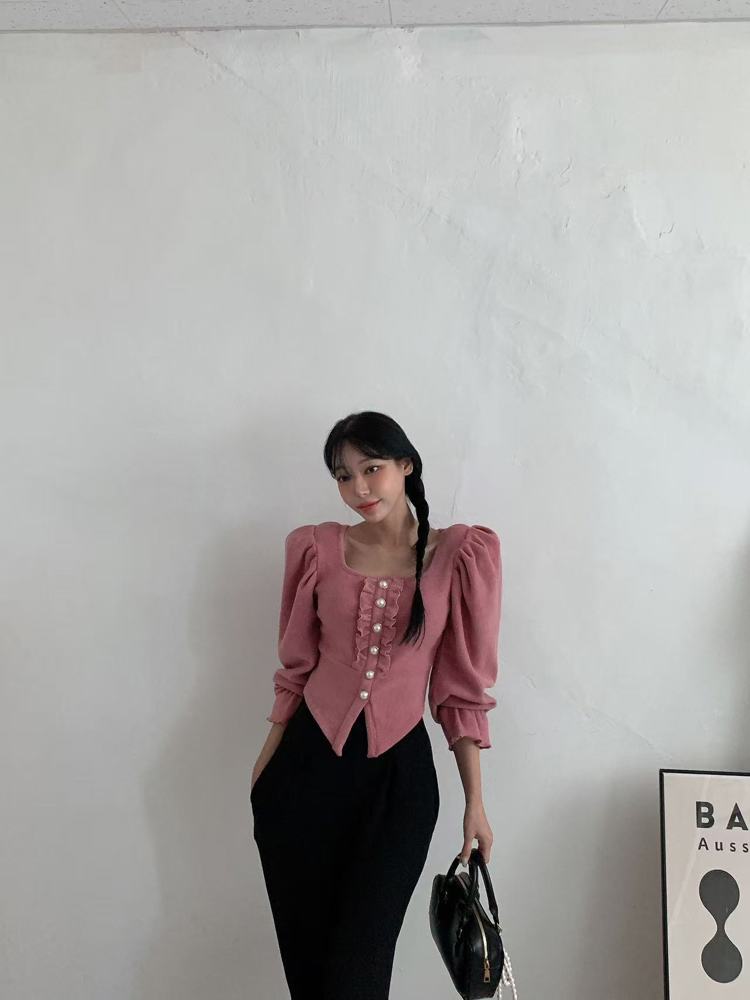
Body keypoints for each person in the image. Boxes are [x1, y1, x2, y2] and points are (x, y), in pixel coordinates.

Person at [249, 410, 503, 1000]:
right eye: (344, 476)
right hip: (302, 776)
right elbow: (296, 670)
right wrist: (264, 769)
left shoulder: (458, 555)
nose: (359, 488)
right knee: (311, 978)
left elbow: (460, 692)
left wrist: (476, 802)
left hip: (398, 787)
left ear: (406, 465)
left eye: (372, 468)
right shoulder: (315, 548)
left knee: (357, 974)